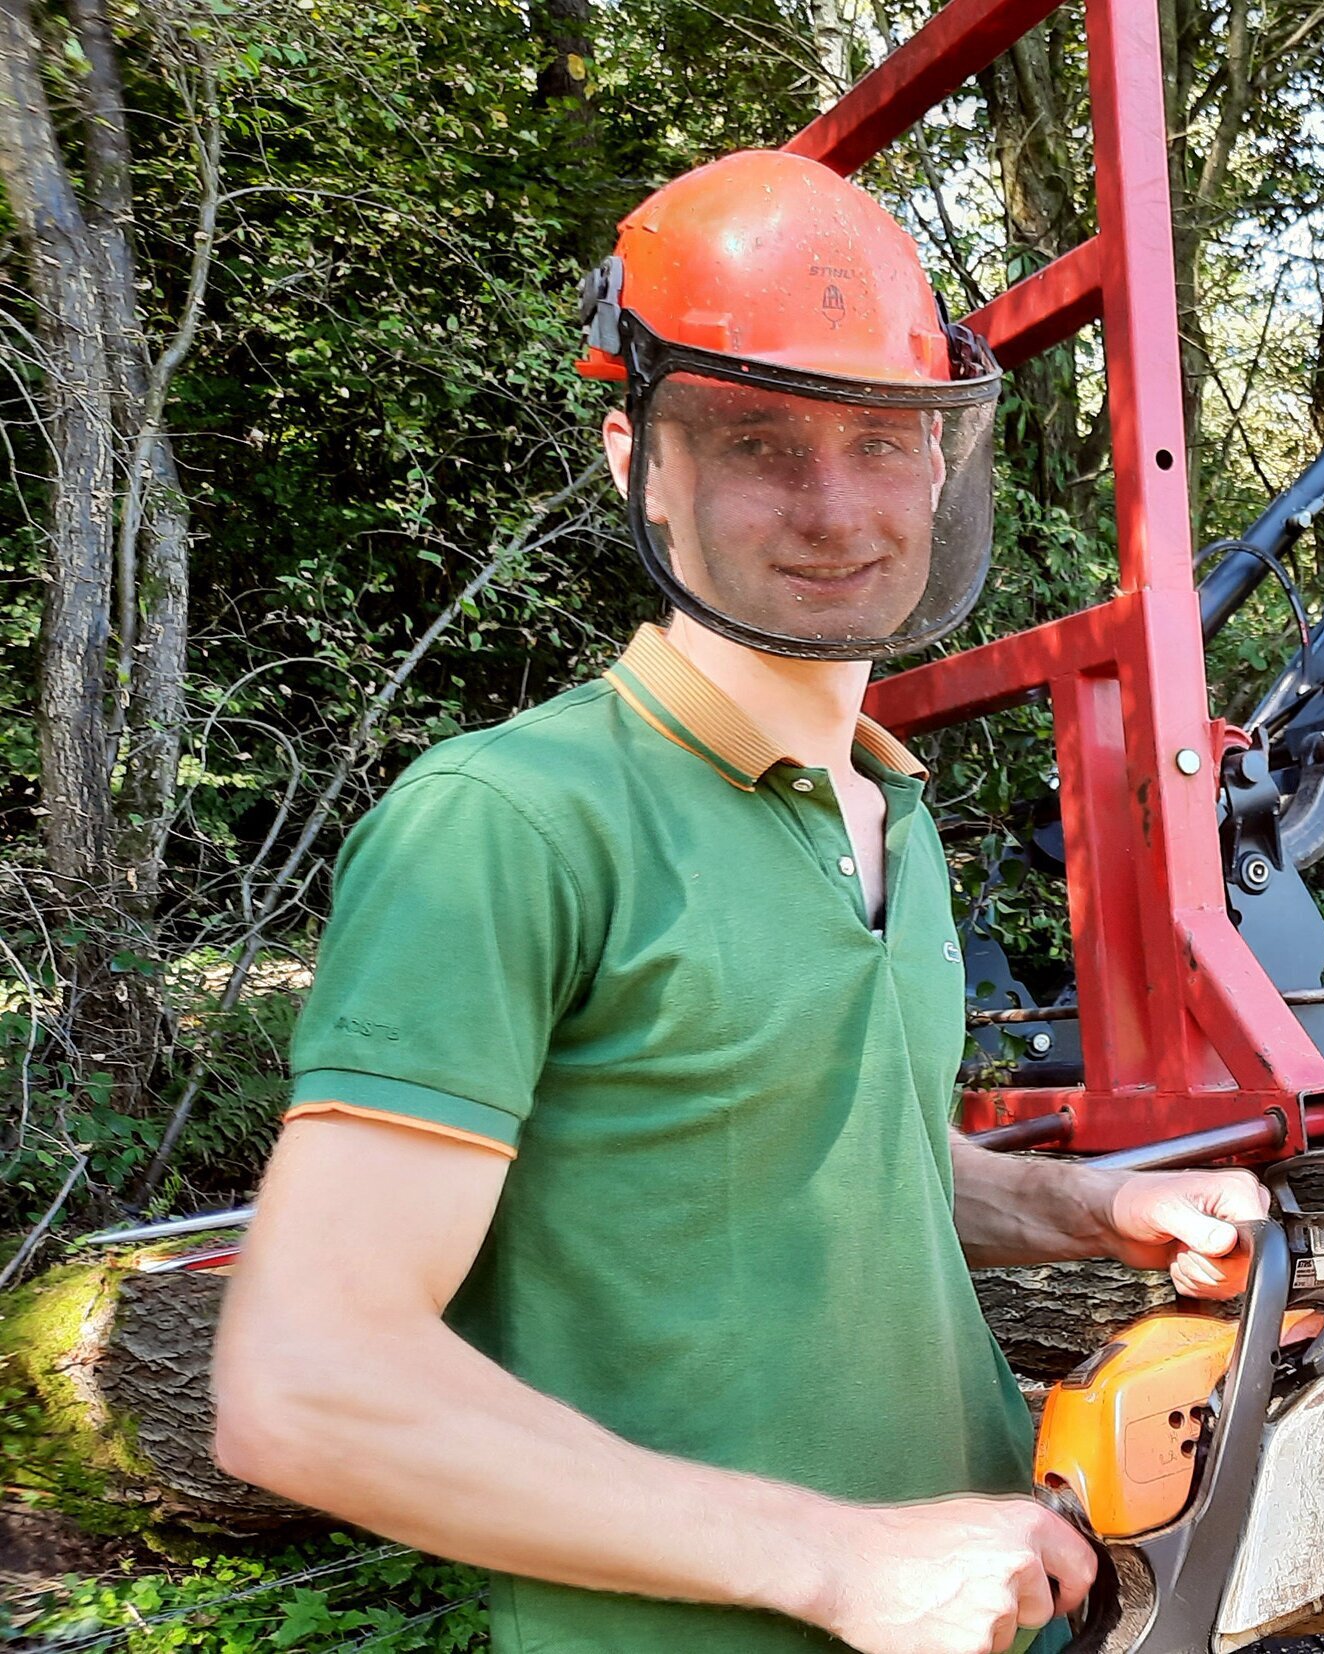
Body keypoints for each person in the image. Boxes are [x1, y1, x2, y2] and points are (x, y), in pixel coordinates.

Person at [211, 149, 1268, 1654]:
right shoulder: (511, 825)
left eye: (883, 441)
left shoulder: (884, 802)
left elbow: (814, 1162)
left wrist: (1086, 1206)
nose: (837, 508)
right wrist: (834, 1560)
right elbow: (304, 1380)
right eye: (757, 440)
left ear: (944, 463)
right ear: (637, 458)